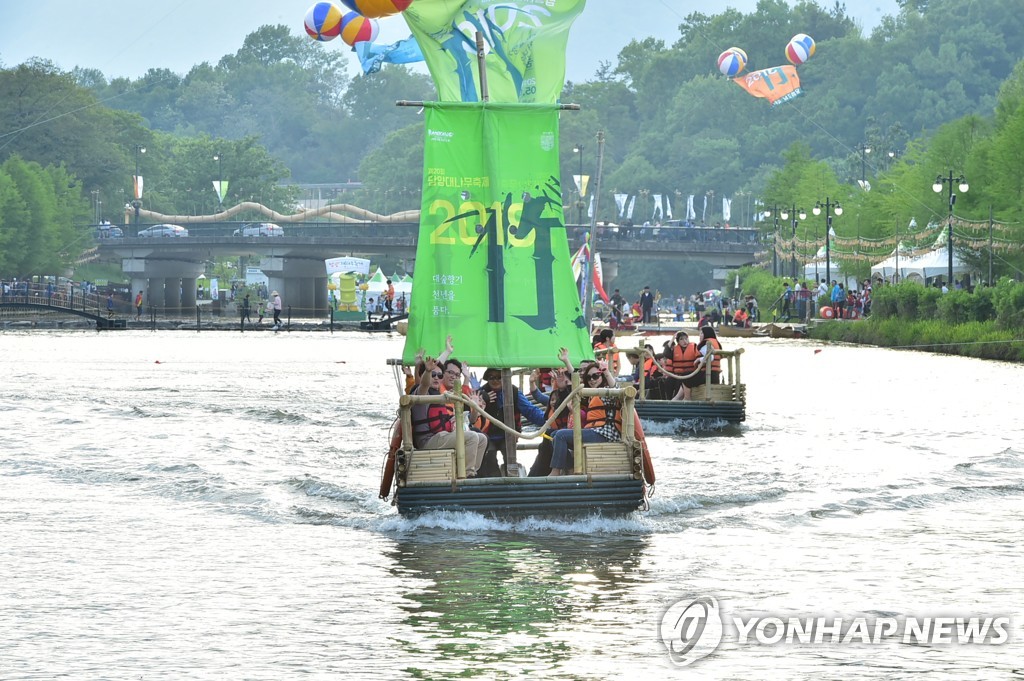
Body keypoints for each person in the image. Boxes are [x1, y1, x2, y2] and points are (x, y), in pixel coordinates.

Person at [411, 356, 487, 479]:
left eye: (439, 375)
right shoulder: (421, 394)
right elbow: (424, 384)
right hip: (427, 440)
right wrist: (428, 371)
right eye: (433, 374)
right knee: (472, 437)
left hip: (442, 436)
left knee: (482, 439)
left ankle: (471, 472)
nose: (436, 377)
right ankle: (467, 476)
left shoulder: (443, 395)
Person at [548, 361, 620, 476]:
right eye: (589, 377)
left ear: (602, 376)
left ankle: (555, 471)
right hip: (594, 431)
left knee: (561, 435)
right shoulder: (590, 394)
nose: (592, 379)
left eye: (595, 376)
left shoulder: (608, 391)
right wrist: (566, 362)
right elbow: (577, 380)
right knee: (554, 435)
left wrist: (606, 371)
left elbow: (615, 387)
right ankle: (570, 468)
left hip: (605, 433)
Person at [476, 366, 547, 477]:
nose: (495, 380)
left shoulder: (514, 392)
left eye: (499, 377)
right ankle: (494, 485)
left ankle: (512, 483)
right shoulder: (480, 394)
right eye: (492, 377)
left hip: (509, 434)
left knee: (510, 461)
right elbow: (471, 416)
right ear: (487, 379)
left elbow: (530, 411)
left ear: (505, 378)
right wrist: (482, 400)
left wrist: (548, 420)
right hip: (487, 435)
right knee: (490, 460)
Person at [527, 348, 576, 476]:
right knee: (548, 439)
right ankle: (537, 475)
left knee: (554, 435)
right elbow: (539, 397)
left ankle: (565, 469)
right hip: (555, 435)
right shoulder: (556, 398)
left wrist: (566, 361)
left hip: (567, 432)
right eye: (552, 400)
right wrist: (532, 382)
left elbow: (574, 385)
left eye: (566, 379)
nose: (553, 402)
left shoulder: (572, 396)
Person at [668, 331, 702, 401]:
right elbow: (666, 353)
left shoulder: (694, 347)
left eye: (686, 339)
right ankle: (668, 400)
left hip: (690, 374)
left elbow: (700, 359)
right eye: (681, 339)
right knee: (668, 381)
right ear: (678, 341)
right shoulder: (675, 349)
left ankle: (676, 401)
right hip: (678, 375)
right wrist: (672, 340)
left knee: (680, 382)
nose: (685, 341)